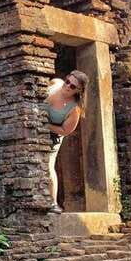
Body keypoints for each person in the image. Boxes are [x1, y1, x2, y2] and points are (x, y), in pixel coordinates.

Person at [45, 70, 88, 213]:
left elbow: (65, 130)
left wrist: (44, 125)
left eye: (73, 86)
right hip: (32, 128)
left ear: (79, 90)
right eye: (67, 81)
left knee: (48, 165)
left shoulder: (75, 109)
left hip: (53, 136)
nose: (68, 86)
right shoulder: (55, 83)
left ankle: (53, 203)